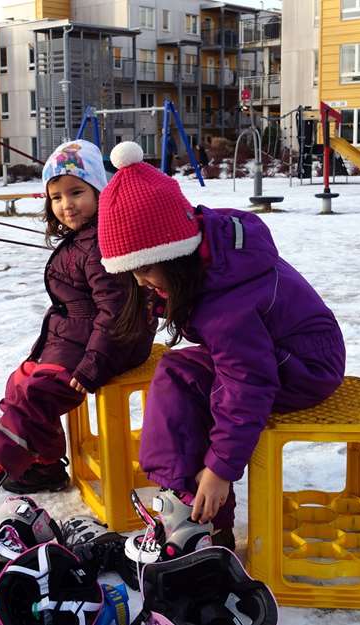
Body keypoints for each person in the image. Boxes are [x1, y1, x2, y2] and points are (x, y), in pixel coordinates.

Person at [96, 141, 346, 549]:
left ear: (174, 255)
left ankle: (206, 519)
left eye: (143, 269)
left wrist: (221, 469)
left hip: (304, 366)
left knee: (209, 395)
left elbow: (248, 384)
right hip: (277, 352)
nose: (140, 281)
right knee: (175, 372)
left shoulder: (227, 301)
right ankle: (183, 495)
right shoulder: (207, 255)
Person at [0, 140, 156, 527]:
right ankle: (42, 466)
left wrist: (94, 363)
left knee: (38, 392)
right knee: (22, 380)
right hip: (80, 338)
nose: (66, 205)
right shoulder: (84, 239)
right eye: (57, 197)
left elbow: (115, 311)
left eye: (77, 192)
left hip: (112, 344)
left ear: (99, 192)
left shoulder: (101, 243)